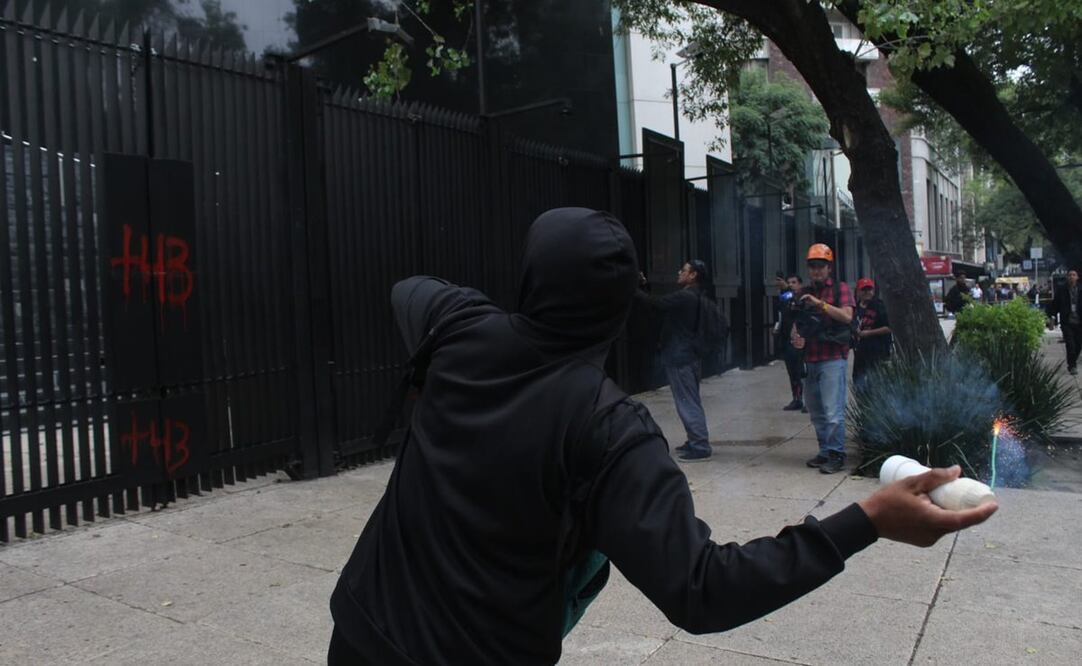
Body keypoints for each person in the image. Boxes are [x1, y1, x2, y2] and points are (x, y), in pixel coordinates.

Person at [328, 208, 997, 665]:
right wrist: (868, 521)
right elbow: (703, 587)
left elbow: (409, 289)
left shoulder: (458, 329)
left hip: (363, 632)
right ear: (621, 312)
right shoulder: (608, 429)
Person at [636, 259, 713, 462]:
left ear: (693, 275)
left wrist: (632, 288)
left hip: (681, 357)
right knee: (690, 399)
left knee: (687, 402)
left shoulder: (686, 296)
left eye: (684, 270)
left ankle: (700, 445)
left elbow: (656, 304)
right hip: (688, 356)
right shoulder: (695, 296)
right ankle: (695, 439)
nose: (680, 272)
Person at [790, 244, 854, 475]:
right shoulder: (803, 292)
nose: (816, 271)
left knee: (832, 410)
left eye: (821, 266)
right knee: (816, 411)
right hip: (811, 357)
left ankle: (837, 454)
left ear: (829, 268)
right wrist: (795, 337)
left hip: (833, 358)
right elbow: (797, 323)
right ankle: (825, 451)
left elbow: (847, 317)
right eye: (813, 266)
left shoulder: (840, 288)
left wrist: (821, 305)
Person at [852, 278, 893, 387]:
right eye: (864, 290)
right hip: (860, 353)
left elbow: (889, 327)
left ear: (873, 291)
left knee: (876, 383)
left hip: (878, 353)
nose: (867, 292)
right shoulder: (854, 308)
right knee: (858, 382)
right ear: (858, 291)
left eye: (869, 289)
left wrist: (868, 333)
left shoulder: (880, 306)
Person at [777, 274, 806, 410]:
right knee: (792, 371)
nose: (791, 285)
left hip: (801, 339)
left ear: (800, 284)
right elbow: (782, 307)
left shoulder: (803, 297)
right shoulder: (786, 297)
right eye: (789, 282)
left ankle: (806, 400)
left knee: (803, 371)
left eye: (794, 282)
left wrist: (787, 290)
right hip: (787, 338)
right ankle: (797, 398)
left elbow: (798, 306)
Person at [1050, 269, 1082, 375]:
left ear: (1077, 277)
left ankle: (1073, 360)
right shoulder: (1062, 290)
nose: (1071, 277)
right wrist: (1052, 317)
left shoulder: (1080, 289)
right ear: (1067, 277)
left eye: (1074, 275)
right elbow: (1055, 304)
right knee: (1070, 344)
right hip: (1067, 321)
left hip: (1079, 322)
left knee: (1078, 345)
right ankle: (1072, 366)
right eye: (1070, 275)